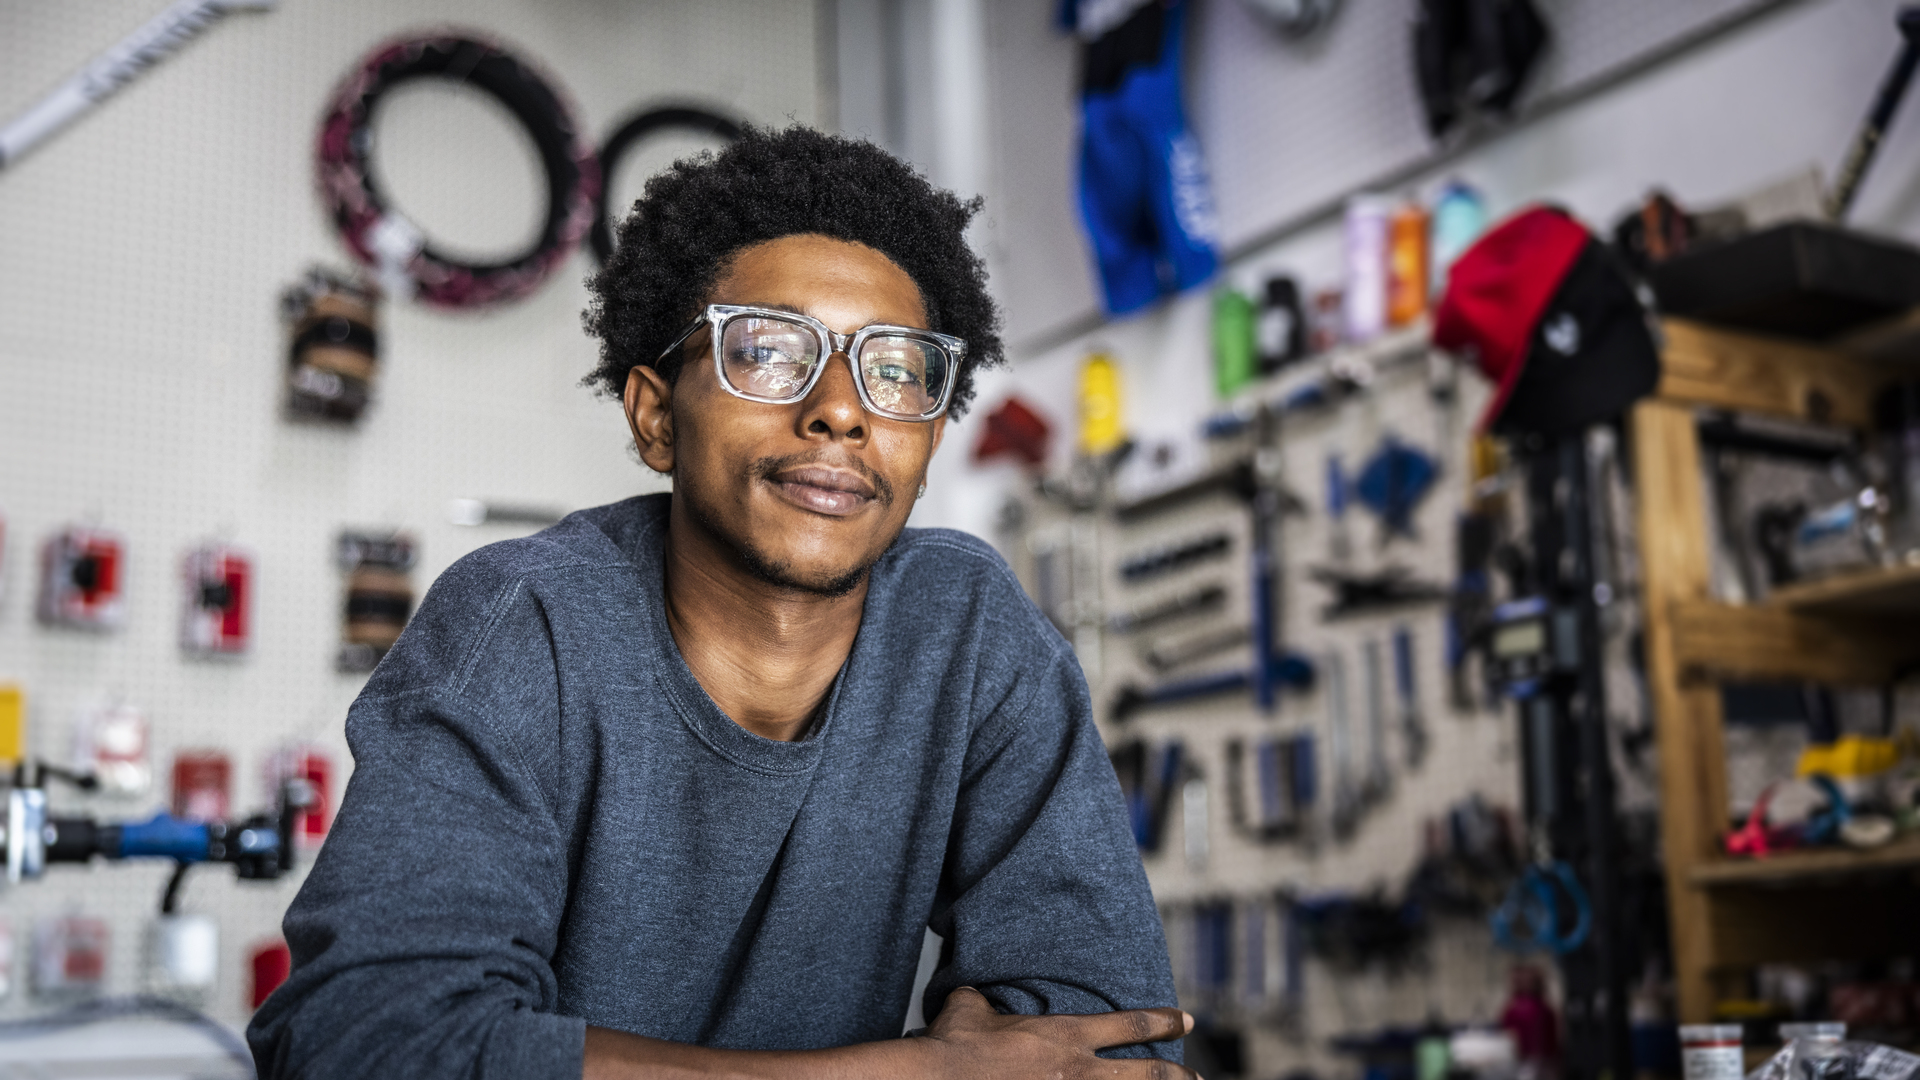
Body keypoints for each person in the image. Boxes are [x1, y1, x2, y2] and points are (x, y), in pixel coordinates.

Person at [245, 126, 1191, 1079]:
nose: (841, 408)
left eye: (896, 370)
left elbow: (1094, 1043)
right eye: (771, 353)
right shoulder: (524, 622)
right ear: (656, 418)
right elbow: (358, 1045)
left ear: (933, 436)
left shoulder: (971, 632)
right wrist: (914, 1074)